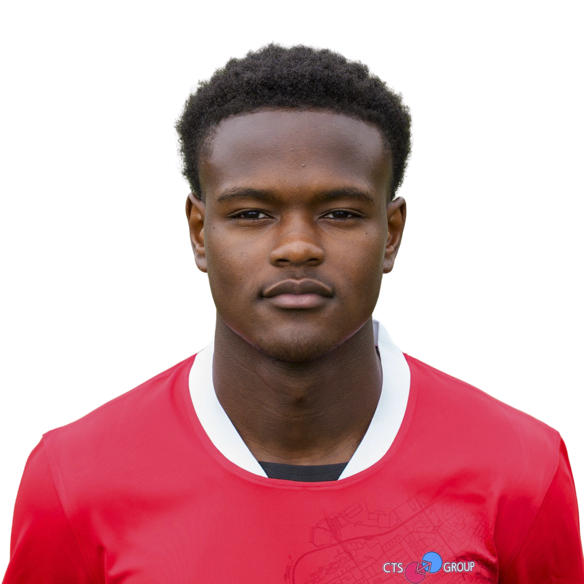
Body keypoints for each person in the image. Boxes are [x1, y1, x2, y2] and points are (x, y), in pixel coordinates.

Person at [4, 40, 583, 583]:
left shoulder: (522, 468)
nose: (298, 246)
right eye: (252, 214)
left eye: (341, 213)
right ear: (199, 232)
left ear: (392, 234)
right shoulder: (73, 477)